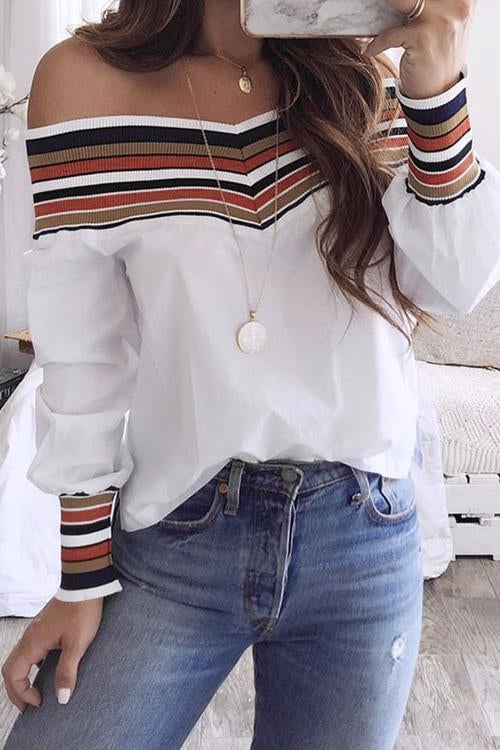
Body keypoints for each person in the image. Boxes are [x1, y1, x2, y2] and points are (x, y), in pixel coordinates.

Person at [3, 0, 499, 748]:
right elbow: (85, 359)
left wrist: (438, 90)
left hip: (361, 535)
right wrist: (81, 578)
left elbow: (452, 285)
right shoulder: (83, 82)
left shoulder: (373, 68)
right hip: (177, 534)